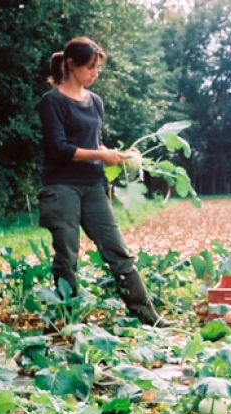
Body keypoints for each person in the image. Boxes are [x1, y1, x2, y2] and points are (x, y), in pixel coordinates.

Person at [36, 37, 168, 327]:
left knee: (117, 249)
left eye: (97, 68)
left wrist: (121, 155)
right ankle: (67, 317)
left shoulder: (95, 102)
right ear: (71, 64)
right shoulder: (52, 102)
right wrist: (101, 154)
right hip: (61, 188)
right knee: (67, 255)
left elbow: (92, 143)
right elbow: (60, 148)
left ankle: (146, 314)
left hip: (94, 186)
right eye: (90, 67)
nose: (95, 73)